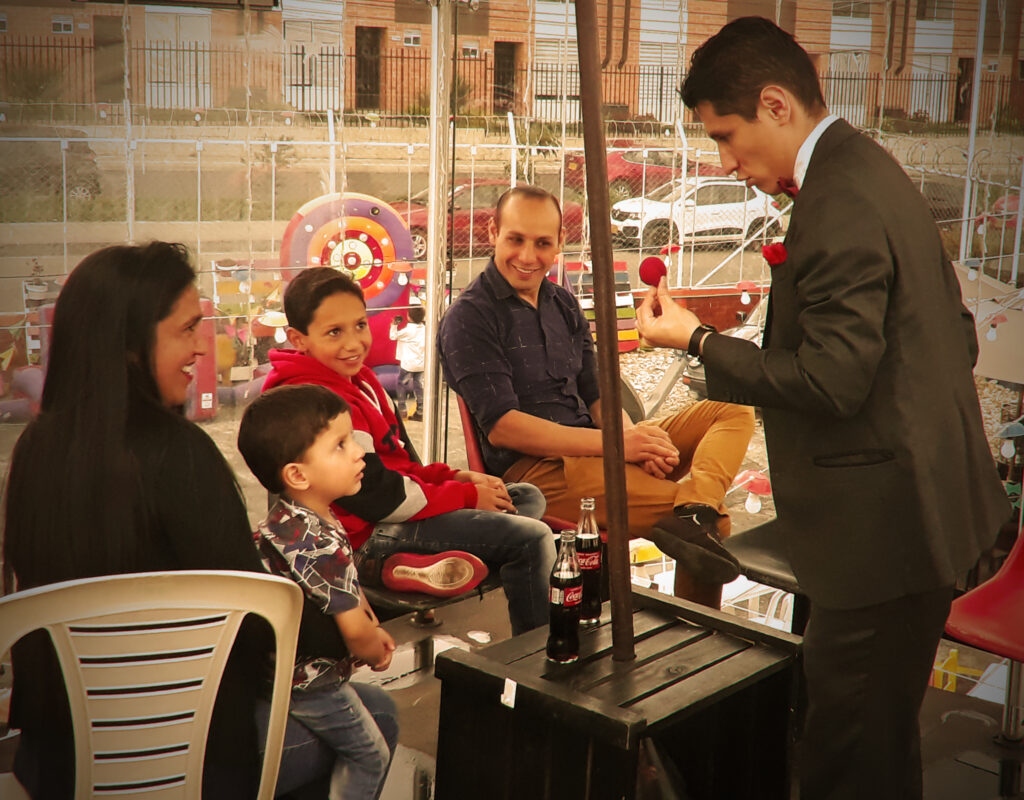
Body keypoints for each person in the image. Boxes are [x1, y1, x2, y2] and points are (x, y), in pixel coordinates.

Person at [635, 18, 1011, 800]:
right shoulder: (872, 169)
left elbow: (836, 381)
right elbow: (958, 337)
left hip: (881, 539)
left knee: (847, 758)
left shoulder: (838, 197)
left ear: (776, 104)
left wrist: (699, 341)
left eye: (728, 137)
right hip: (922, 517)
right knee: (878, 742)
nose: (727, 163)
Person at [1, 242, 386, 800]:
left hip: (58, 763)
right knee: (375, 719)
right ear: (132, 344)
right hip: (184, 766)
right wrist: (349, 628)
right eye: (186, 330)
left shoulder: (35, 450)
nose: (201, 347)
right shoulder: (179, 454)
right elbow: (254, 624)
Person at [437, 185, 755, 601]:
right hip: (537, 473)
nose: (528, 256)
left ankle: (697, 505)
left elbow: (598, 393)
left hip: (597, 448)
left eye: (542, 243)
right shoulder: (470, 316)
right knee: (711, 527)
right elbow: (503, 429)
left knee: (730, 409)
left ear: (560, 244)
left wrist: (636, 442)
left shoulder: (563, 303)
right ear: (493, 232)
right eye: (515, 239)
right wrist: (621, 445)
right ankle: (694, 625)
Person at [263, 266, 556, 636]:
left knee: (522, 497)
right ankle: (533, 654)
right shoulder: (317, 401)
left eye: (360, 325)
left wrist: (453, 477)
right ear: (298, 338)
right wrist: (464, 495)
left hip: (395, 512)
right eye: (334, 332)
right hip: (364, 534)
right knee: (533, 538)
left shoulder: (362, 380)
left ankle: (418, 564)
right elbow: (374, 495)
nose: (353, 343)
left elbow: (402, 464)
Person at [239, 384, 401, 800]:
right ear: (297, 474)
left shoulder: (289, 521)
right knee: (370, 757)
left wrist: (371, 621)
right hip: (310, 685)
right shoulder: (319, 542)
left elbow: (345, 591)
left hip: (274, 676)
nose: (358, 452)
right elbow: (352, 630)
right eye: (340, 445)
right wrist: (373, 648)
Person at [389, 302, 426, 421]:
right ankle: (420, 411)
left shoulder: (408, 331)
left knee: (401, 385)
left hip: (408, 364)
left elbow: (393, 336)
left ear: (409, 317)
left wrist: (394, 325)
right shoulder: (425, 329)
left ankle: (402, 410)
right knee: (419, 386)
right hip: (421, 364)